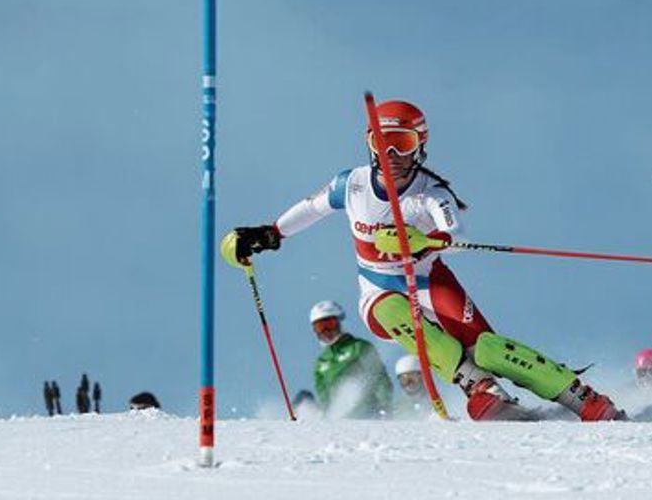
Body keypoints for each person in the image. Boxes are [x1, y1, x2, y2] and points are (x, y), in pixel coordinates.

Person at [222, 99, 625, 421]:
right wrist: (271, 233)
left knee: (488, 349)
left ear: (421, 146)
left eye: (405, 144)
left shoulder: (431, 192)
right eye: (385, 143)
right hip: (379, 288)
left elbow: (456, 235)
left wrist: (422, 242)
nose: (394, 154)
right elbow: (312, 207)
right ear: (370, 145)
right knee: (399, 312)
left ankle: (580, 397)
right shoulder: (353, 183)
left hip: (430, 278)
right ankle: (477, 386)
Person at [309, 300, 393, 418]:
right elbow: (323, 395)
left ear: (339, 323)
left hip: (367, 413)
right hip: (337, 420)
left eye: (330, 324)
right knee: (304, 398)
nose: (326, 331)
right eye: (320, 327)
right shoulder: (321, 362)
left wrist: (385, 406)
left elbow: (380, 377)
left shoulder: (359, 347)